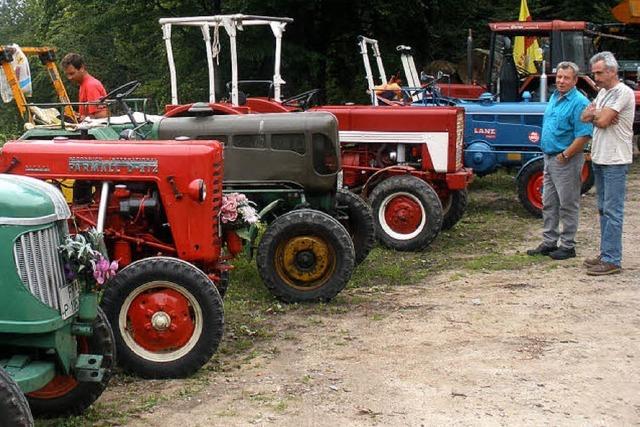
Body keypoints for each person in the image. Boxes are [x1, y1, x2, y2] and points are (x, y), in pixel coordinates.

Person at [527, 61, 593, 260]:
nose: (561, 81)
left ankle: (568, 245)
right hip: (549, 157)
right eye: (559, 77)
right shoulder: (555, 97)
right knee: (549, 202)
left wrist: (565, 155)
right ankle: (549, 242)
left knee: (568, 203)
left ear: (575, 80)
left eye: (566, 78)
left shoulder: (579, 102)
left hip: (566, 160)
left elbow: (584, 135)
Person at [580, 51, 636, 275]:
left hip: (615, 159)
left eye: (599, 73)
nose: (596, 77)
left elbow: (601, 120)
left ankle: (612, 259)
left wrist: (599, 116)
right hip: (600, 157)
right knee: (603, 209)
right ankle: (606, 253)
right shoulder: (602, 92)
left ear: (612, 71)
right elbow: (585, 115)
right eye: (594, 73)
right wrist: (598, 115)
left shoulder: (623, 93)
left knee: (613, 210)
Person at [60, 53, 107, 120]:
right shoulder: (83, 85)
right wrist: (77, 116)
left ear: (82, 68)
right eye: (67, 74)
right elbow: (88, 115)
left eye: (72, 73)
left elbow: (102, 116)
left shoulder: (91, 86)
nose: (69, 77)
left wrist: (81, 118)